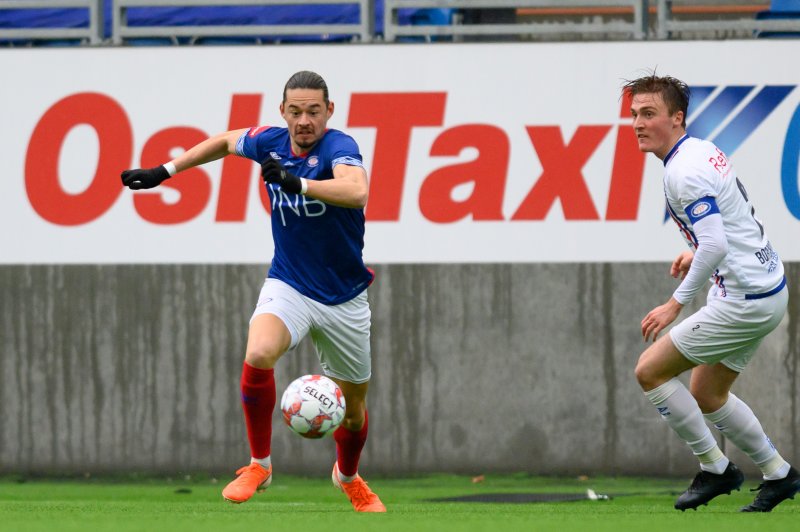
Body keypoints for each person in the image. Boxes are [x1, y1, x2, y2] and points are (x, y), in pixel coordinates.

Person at [120, 70, 386, 513]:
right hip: (291, 284)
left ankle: (349, 476)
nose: (305, 120)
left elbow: (357, 192)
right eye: (296, 111)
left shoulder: (339, 147)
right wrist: (164, 171)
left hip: (344, 298)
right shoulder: (270, 142)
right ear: (283, 112)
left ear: (329, 112)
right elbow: (225, 141)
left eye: (314, 111)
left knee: (354, 411)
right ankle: (258, 465)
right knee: (260, 352)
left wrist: (296, 182)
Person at [624, 73, 799, 512]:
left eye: (649, 114)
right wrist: (697, 251)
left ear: (676, 117)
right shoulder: (700, 149)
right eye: (633, 115)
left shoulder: (683, 171)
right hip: (767, 287)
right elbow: (725, 225)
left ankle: (717, 470)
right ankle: (780, 475)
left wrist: (674, 304)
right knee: (707, 394)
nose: (638, 124)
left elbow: (717, 242)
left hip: (744, 301)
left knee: (649, 371)